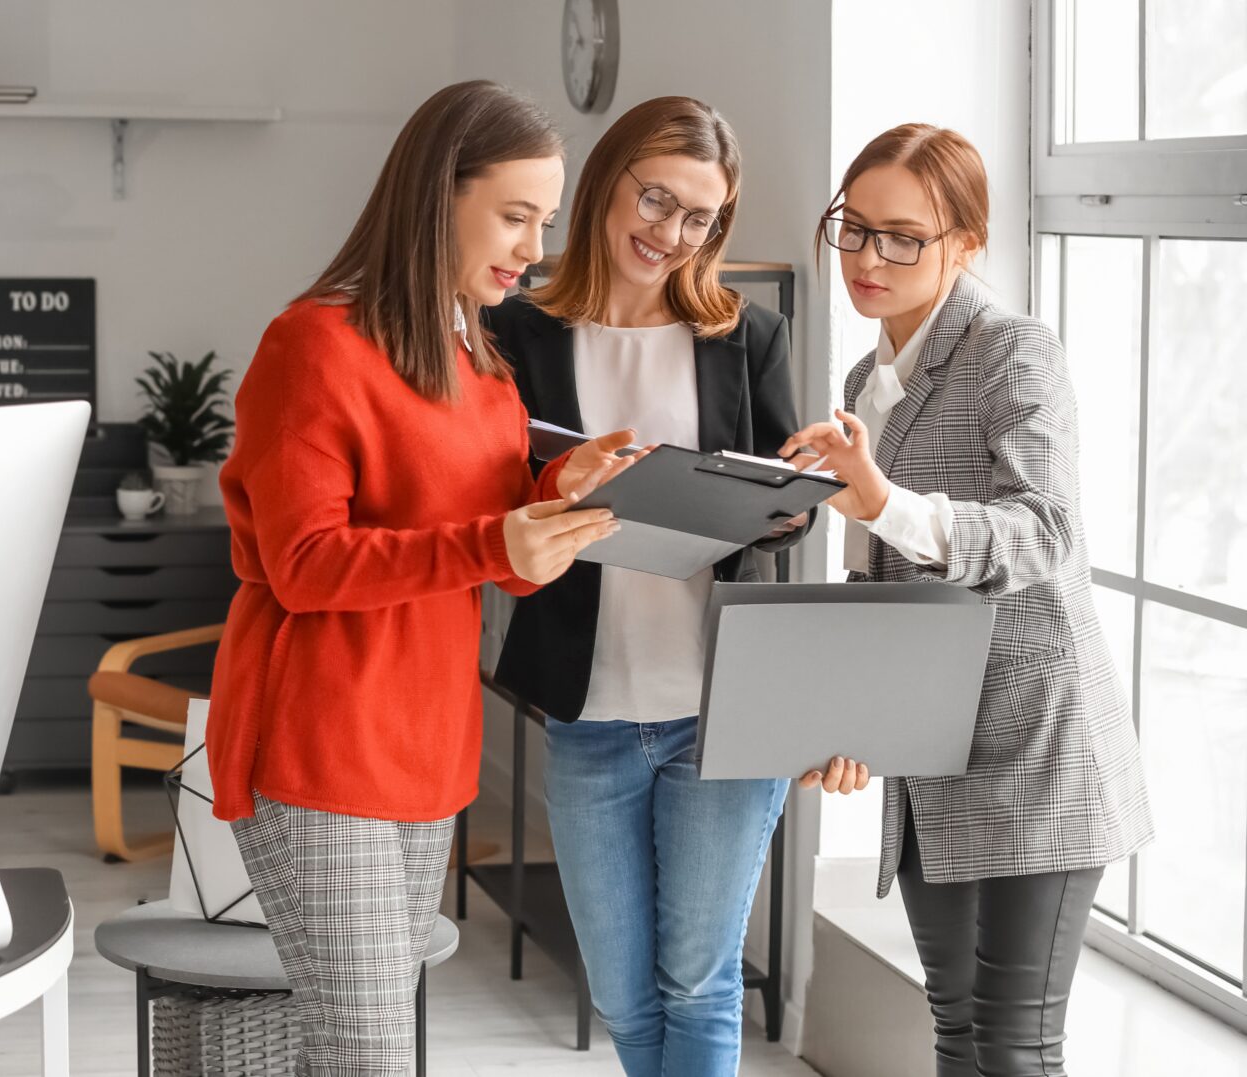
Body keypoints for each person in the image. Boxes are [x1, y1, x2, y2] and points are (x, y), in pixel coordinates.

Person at [204, 80, 640, 1075]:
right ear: (437, 195)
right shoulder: (312, 345)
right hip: (321, 750)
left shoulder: (477, 358)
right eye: (515, 216)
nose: (535, 248)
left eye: (545, 220)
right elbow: (303, 566)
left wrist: (550, 489)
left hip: (426, 753)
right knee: (367, 1059)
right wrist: (496, 545)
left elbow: (467, 528)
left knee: (360, 1053)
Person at [781, 123, 1152, 1077]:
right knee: (953, 1032)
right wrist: (858, 719)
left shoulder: (1013, 351)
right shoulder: (868, 380)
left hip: (1036, 746)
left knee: (1017, 1047)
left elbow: (1047, 533)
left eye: (903, 236)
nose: (870, 257)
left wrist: (885, 501)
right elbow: (887, 591)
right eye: (854, 228)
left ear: (967, 241)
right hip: (930, 749)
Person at [488, 95, 812, 1077]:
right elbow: (486, 495)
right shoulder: (514, 330)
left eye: (697, 219)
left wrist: (784, 509)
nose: (667, 234)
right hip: (590, 711)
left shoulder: (741, 337)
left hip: (722, 712)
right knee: (624, 989)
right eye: (654, 200)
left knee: (696, 981)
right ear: (604, 185)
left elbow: (786, 509)